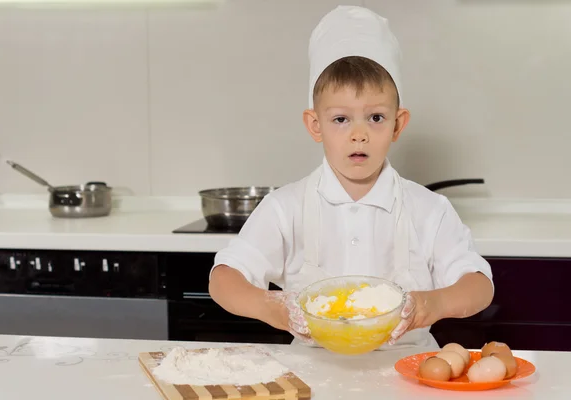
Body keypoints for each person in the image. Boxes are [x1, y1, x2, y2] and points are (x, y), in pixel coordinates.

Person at [208, 5, 494, 349]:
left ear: (397, 124)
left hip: (407, 376)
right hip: (313, 376)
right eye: (341, 119)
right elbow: (224, 279)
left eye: (375, 117)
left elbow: (479, 286)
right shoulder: (286, 208)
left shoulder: (429, 209)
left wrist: (430, 305)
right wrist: (276, 309)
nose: (359, 135)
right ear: (316, 125)